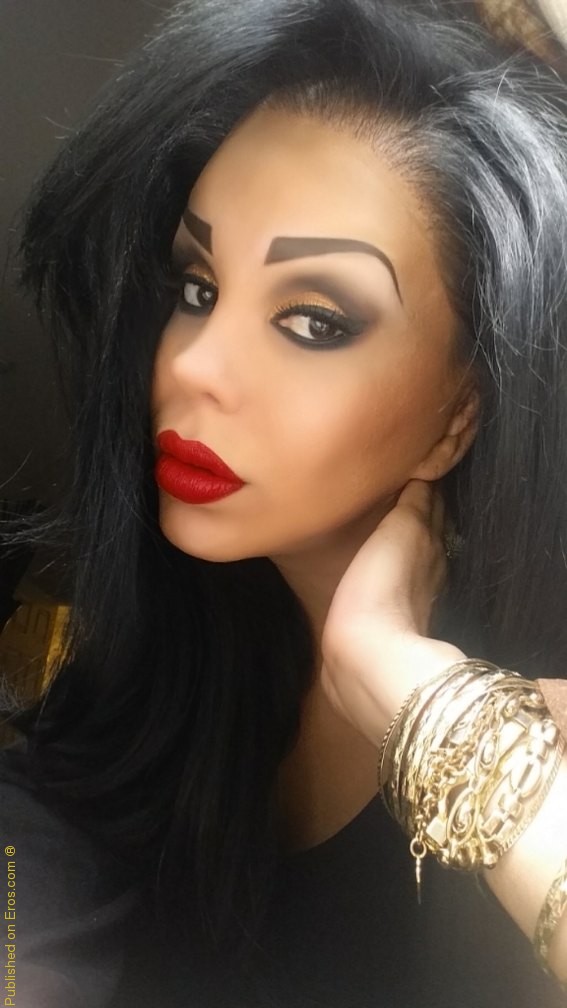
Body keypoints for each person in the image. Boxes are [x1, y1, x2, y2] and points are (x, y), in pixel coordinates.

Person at [1, 0, 567, 1005]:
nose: (192, 366)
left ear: (459, 413)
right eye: (196, 287)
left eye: (313, 320)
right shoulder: (172, 651)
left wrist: (406, 690)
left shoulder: (538, 740)